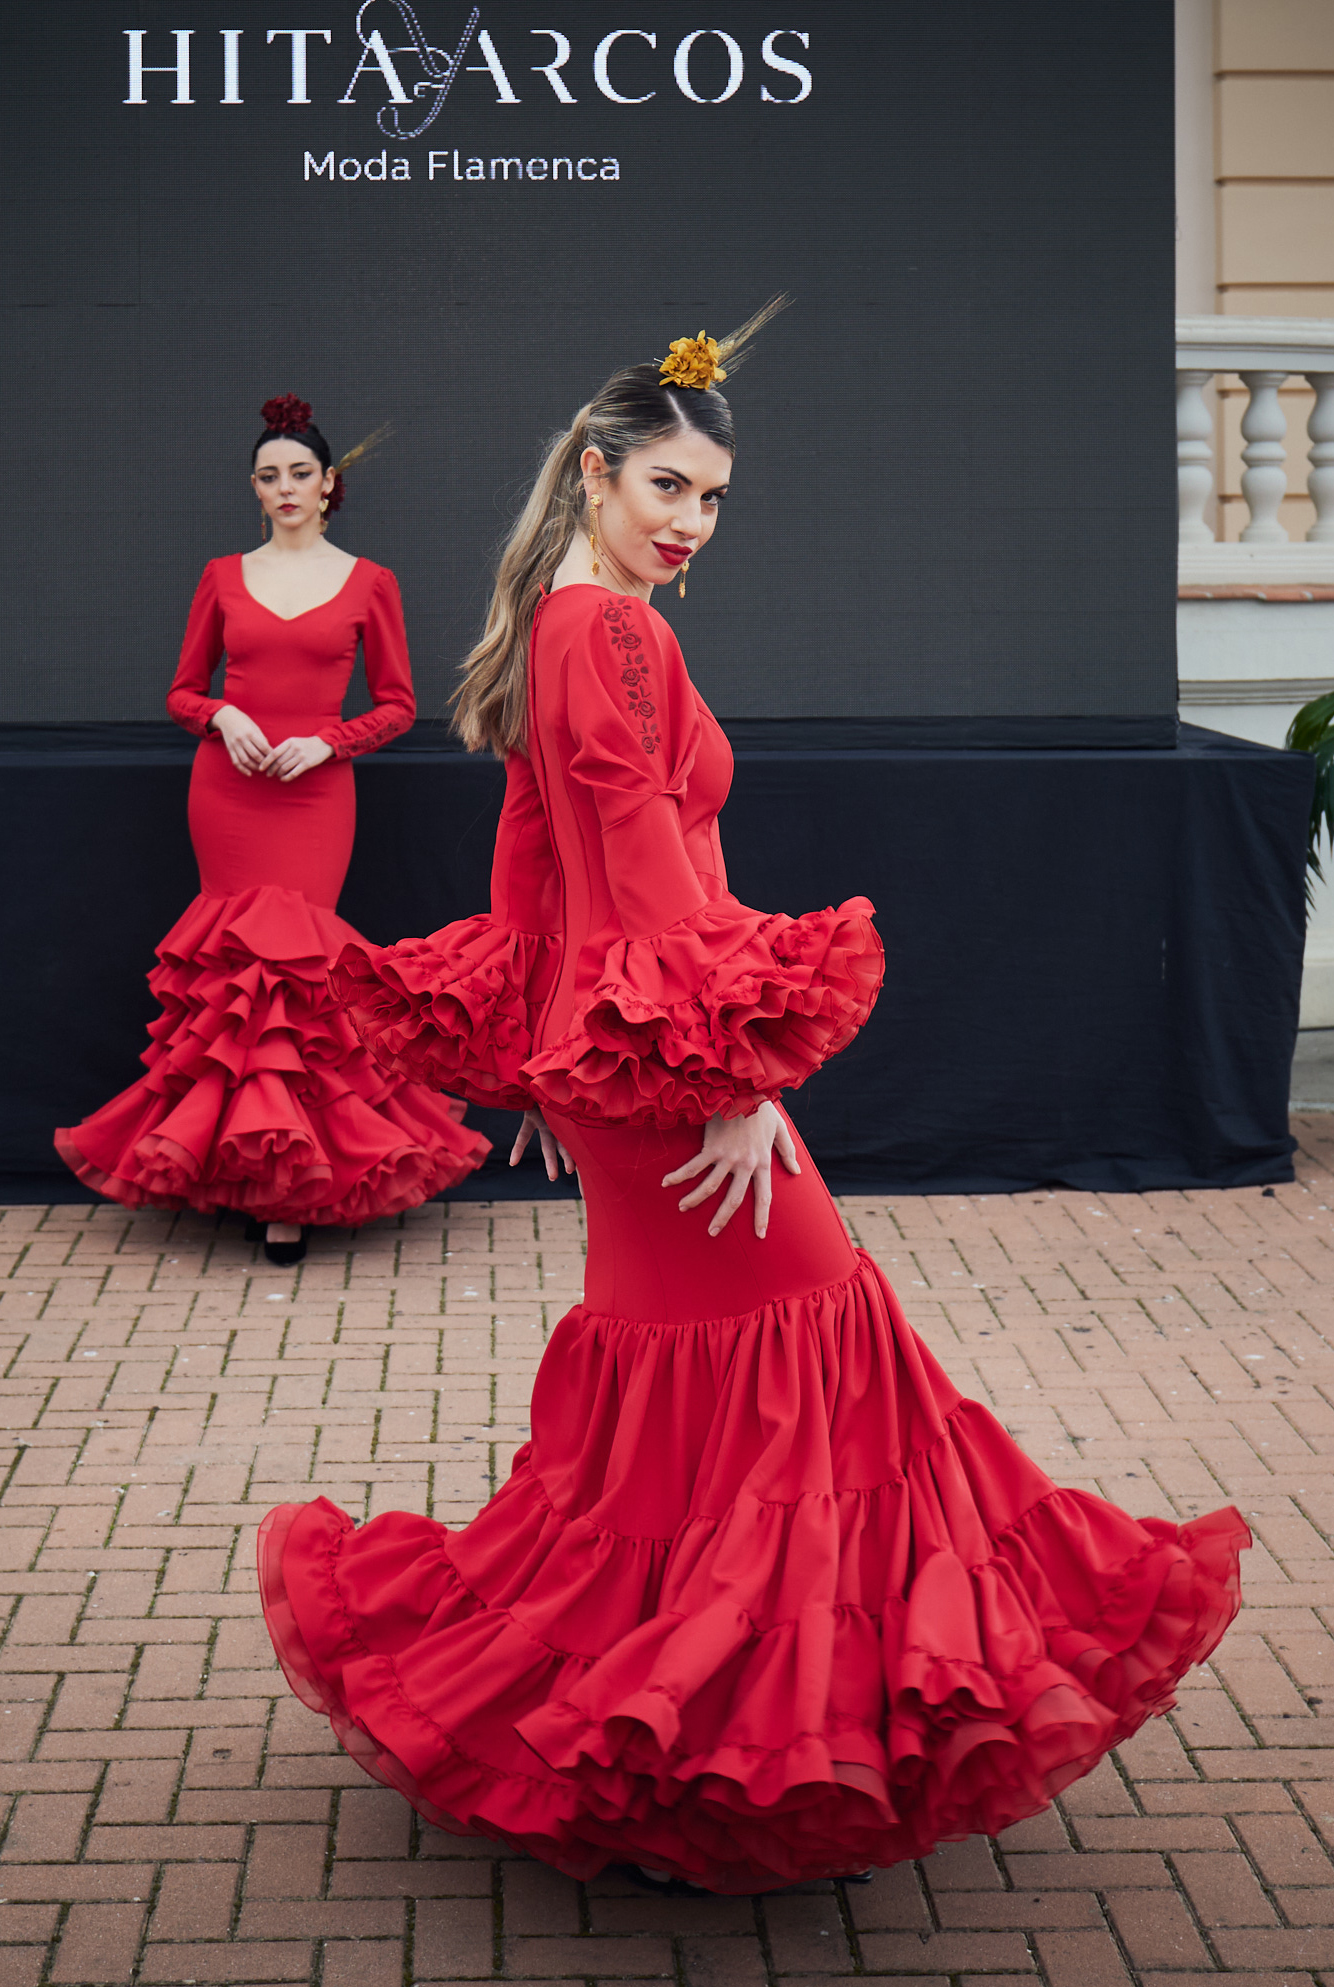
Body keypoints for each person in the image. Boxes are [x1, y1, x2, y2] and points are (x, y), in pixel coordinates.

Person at [257, 322, 1248, 1888]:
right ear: (595, 469)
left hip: (630, 1064)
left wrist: (547, 1056)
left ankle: (663, 1711)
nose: (691, 522)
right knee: (805, 1345)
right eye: (667, 485)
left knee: (712, 1387)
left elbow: (532, 869)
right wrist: (736, 1076)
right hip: (669, 1074)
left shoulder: (555, 617)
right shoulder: (618, 636)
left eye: (715, 497)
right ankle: (721, 1723)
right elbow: (639, 865)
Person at [55, 395, 488, 1265]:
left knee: (297, 976)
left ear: (329, 485)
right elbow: (180, 693)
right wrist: (220, 718)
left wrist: (328, 740)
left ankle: (289, 1185)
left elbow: (399, 707)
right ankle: (243, 1170)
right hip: (227, 794)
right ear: (254, 491)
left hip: (315, 799)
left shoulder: (372, 582)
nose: (284, 487)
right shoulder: (221, 576)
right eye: (268, 476)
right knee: (233, 976)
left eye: (299, 473)